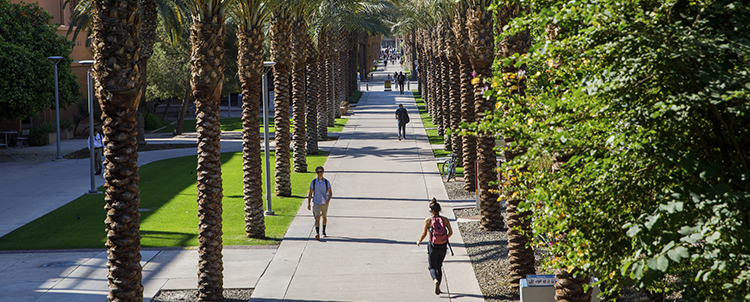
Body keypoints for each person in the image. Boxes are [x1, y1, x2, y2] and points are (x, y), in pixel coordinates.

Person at [417, 198, 453, 295]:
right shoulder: (445, 220)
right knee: (439, 266)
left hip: (432, 246)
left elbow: (424, 233)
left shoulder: (428, 220)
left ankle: (435, 281)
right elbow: (451, 232)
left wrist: (419, 241)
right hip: (442, 246)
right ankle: (439, 286)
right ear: (440, 209)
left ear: (430, 210)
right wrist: (445, 238)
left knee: (432, 267)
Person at [307, 166, 333, 240]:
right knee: (317, 218)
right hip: (316, 202)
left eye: (321, 172)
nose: (319, 173)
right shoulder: (314, 182)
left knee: (324, 217)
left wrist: (328, 200)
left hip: (324, 203)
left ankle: (323, 231)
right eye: (318, 172)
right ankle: (317, 233)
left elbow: (330, 193)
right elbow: (310, 193)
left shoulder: (326, 182)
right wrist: (308, 204)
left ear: (323, 172)